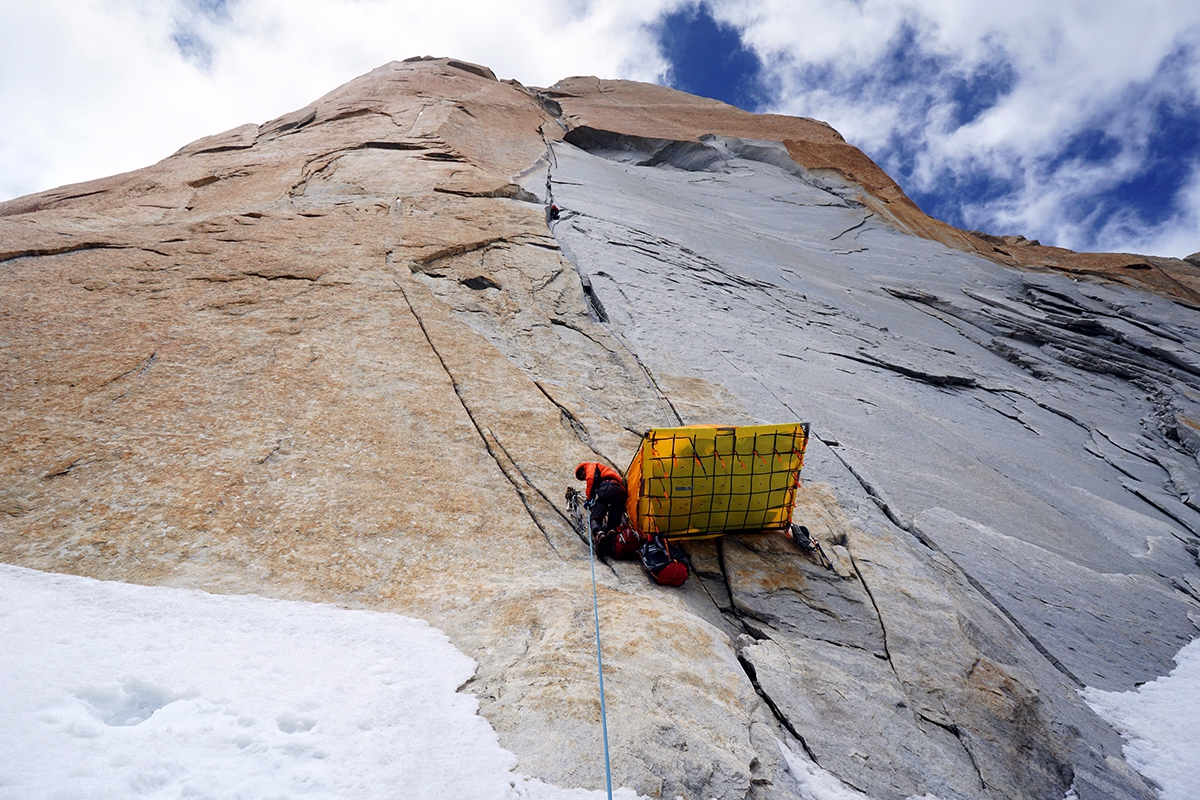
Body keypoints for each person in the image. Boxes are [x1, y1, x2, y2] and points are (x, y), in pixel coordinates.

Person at [575, 462, 627, 543]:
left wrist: (589, 498)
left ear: (583, 468)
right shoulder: (601, 469)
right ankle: (611, 532)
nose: (583, 476)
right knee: (614, 519)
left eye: (581, 473)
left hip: (607, 487)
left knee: (595, 518)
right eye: (581, 477)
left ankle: (599, 534)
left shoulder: (590, 466)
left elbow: (592, 478)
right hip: (620, 492)